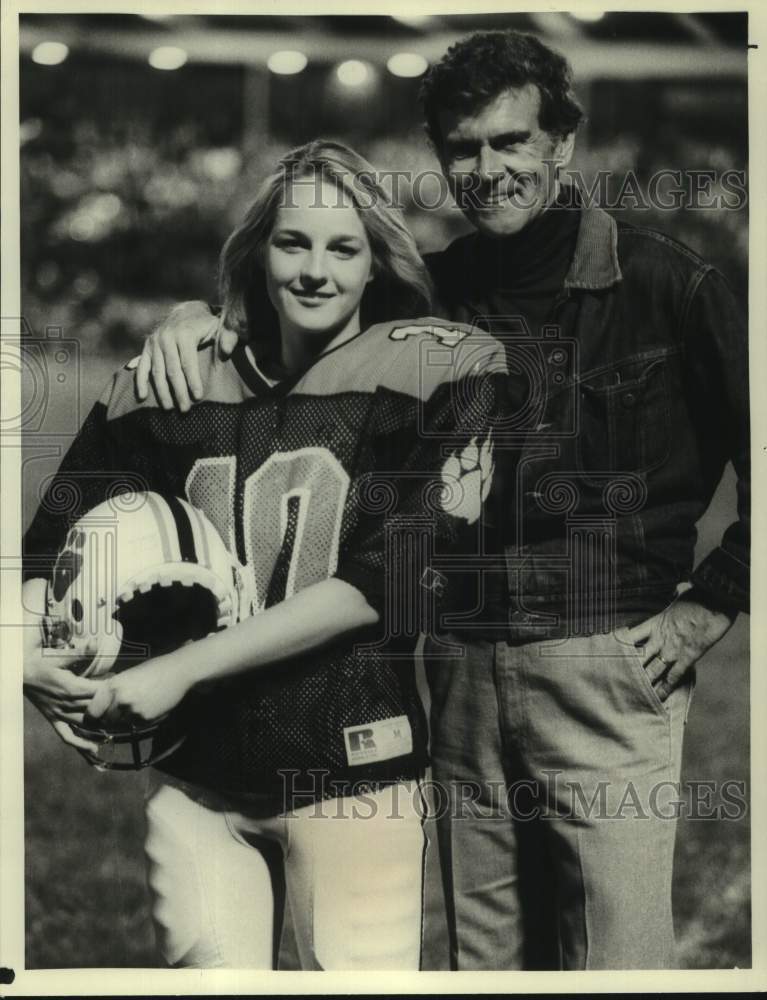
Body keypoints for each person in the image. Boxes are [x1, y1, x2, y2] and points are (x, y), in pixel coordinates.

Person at [133, 31, 749, 971]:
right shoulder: (434, 289)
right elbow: (294, 297)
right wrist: (189, 317)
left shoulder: (669, 280)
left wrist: (712, 600)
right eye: (464, 149)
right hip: (456, 666)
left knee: (617, 962)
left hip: (605, 661)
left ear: (562, 146)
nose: (487, 169)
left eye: (510, 143)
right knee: (480, 962)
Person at [22, 139, 507, 970]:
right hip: (195, 778)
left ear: (373, 263)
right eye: (293, 243)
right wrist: (28, 657)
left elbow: (386, 583)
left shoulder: (440, 372)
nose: (315, 270)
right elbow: (48, 550)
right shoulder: (170, 377)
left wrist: (179, 669)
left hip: (353, 775)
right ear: (256, 251)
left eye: (342, 247)